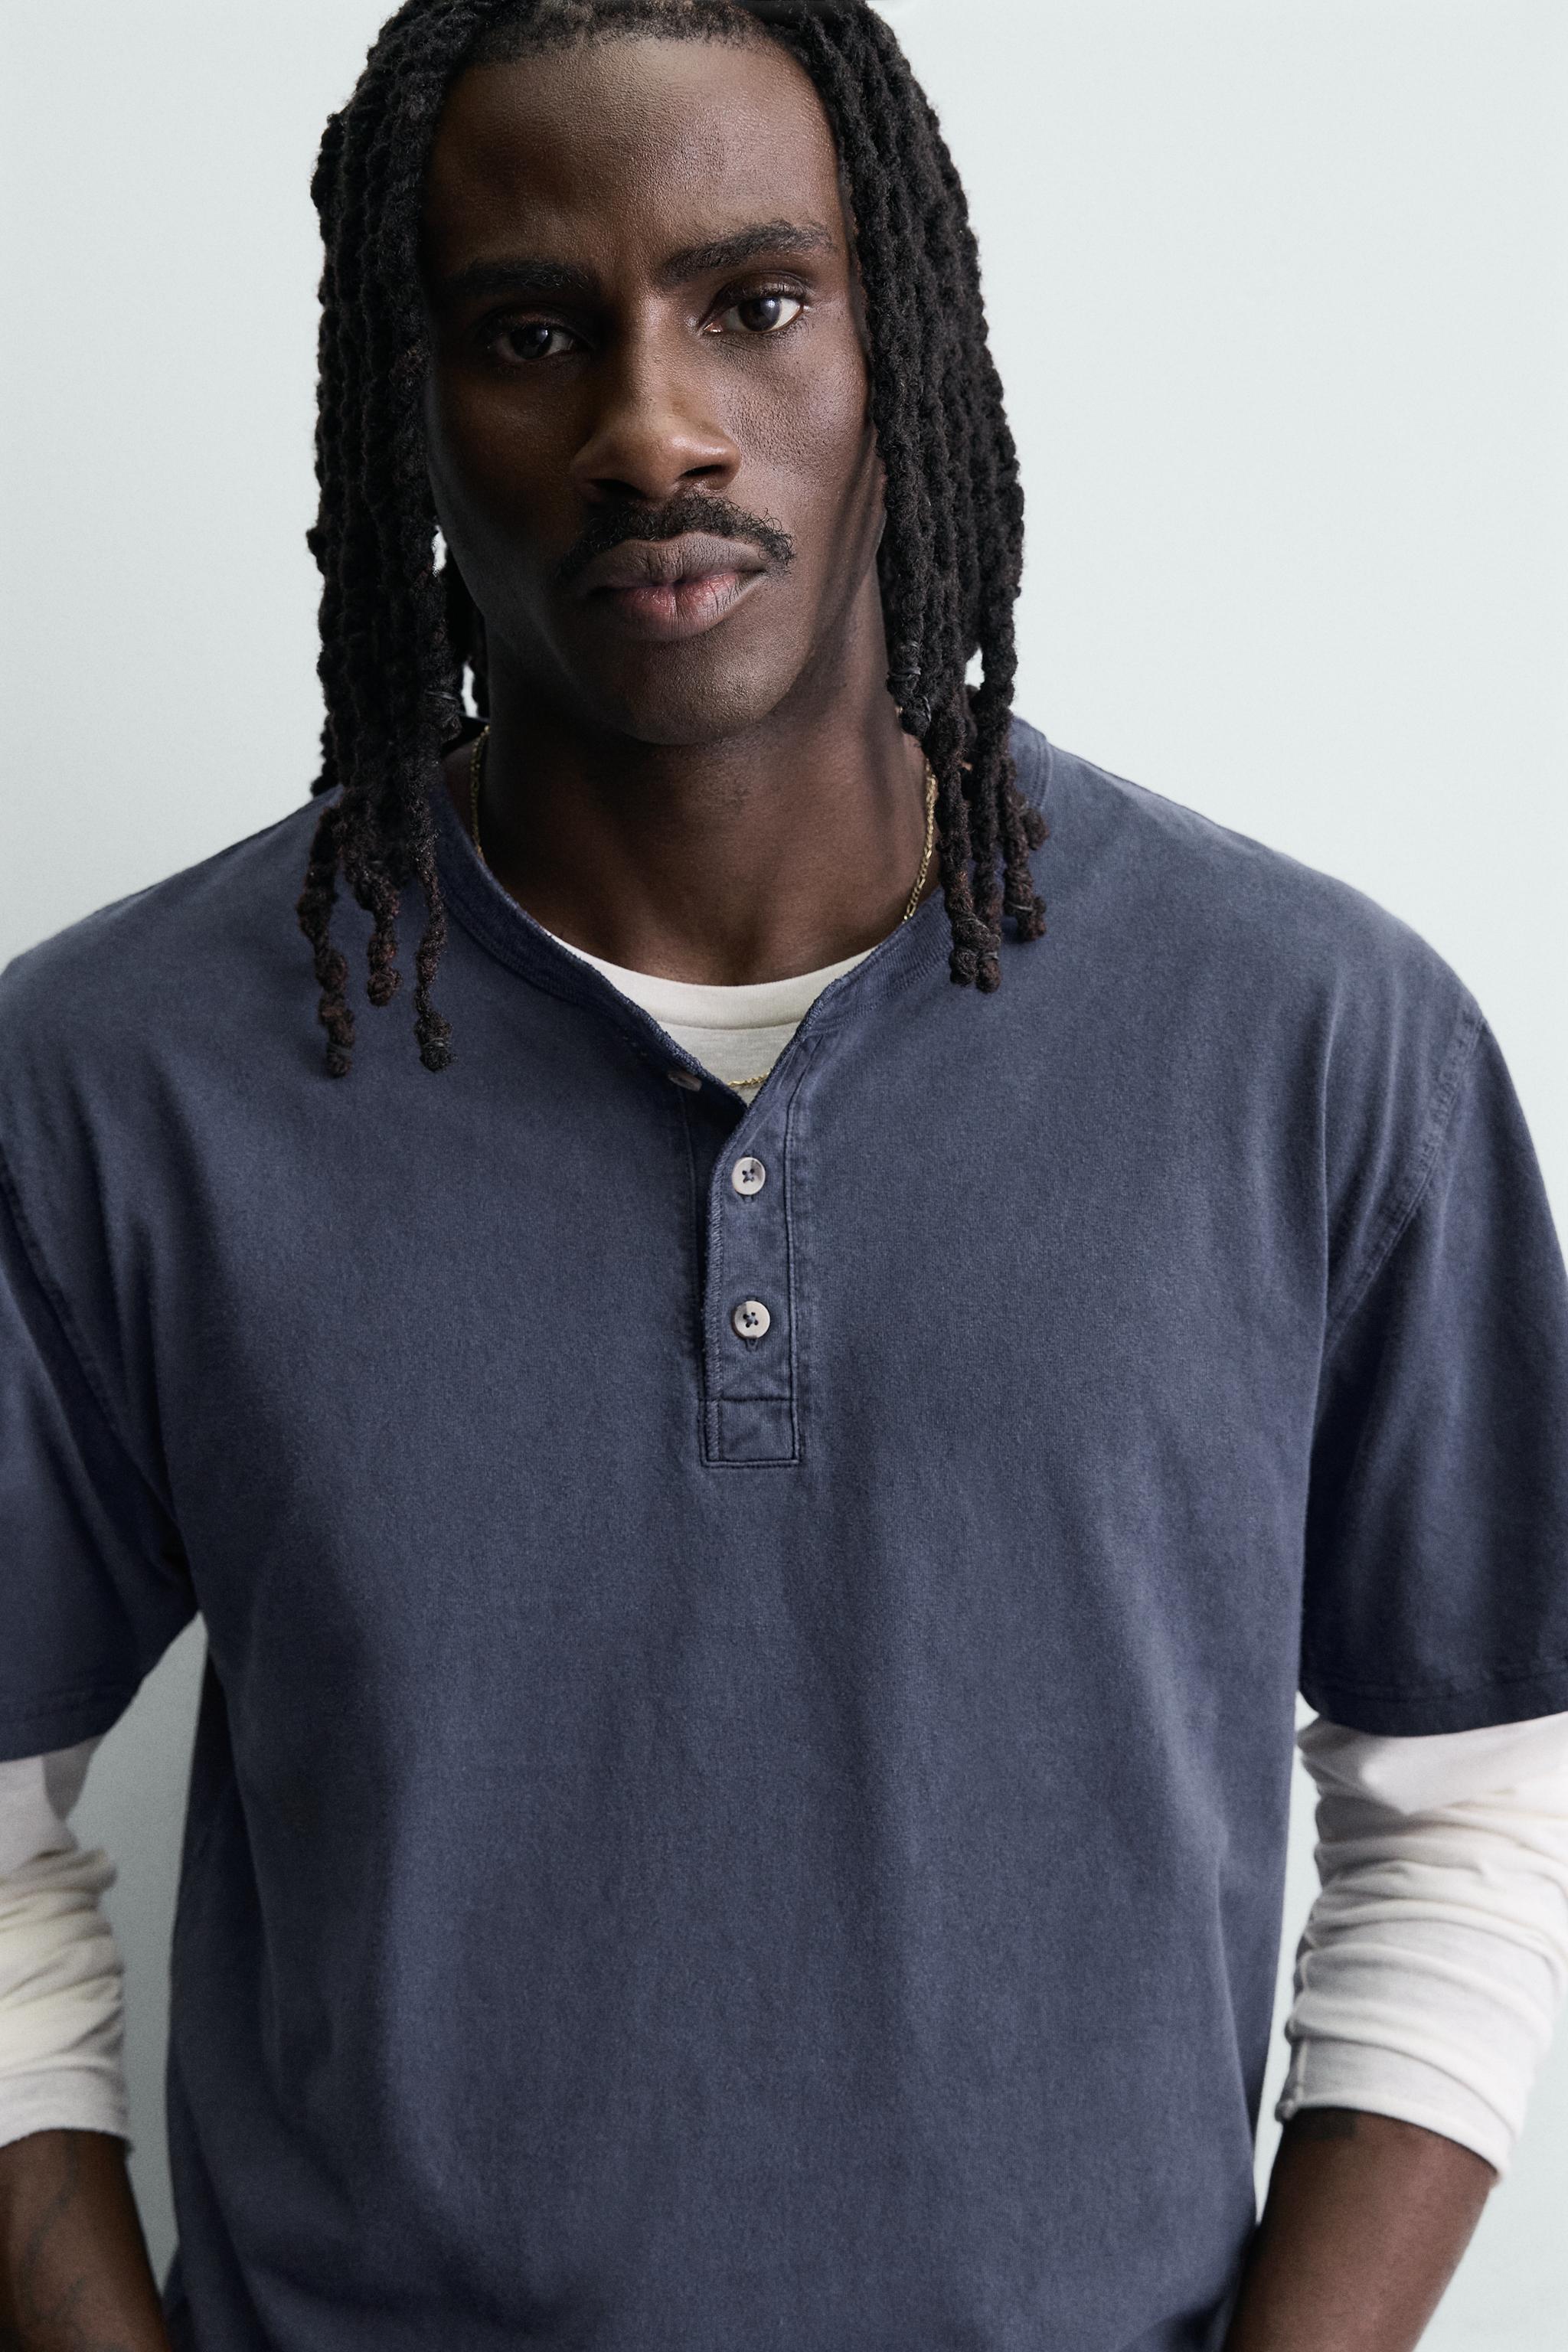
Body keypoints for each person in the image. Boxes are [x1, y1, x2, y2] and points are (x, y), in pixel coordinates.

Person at [2, 2, 1566, 2347]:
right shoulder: (112, 1081)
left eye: (753, 301)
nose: (655, 425)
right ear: (413, 405)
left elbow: (1479, 1803)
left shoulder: (1321, 1046)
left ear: (901, 340)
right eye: (533, 333)